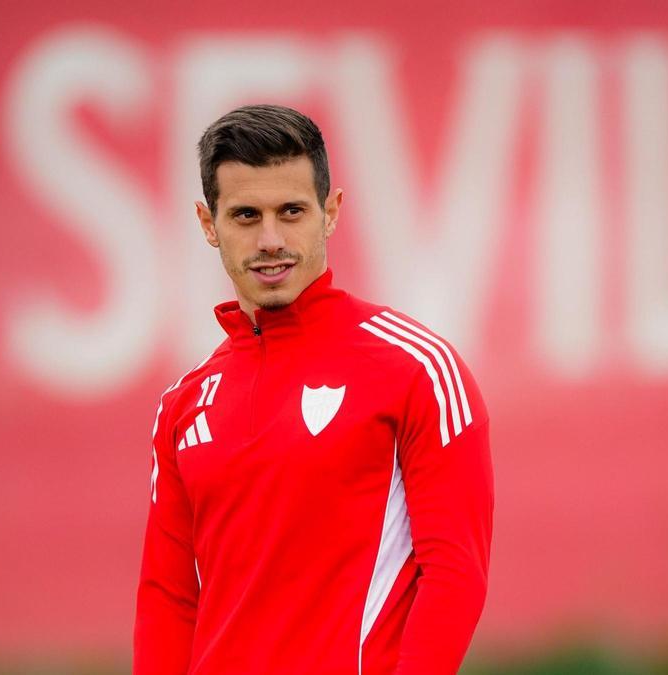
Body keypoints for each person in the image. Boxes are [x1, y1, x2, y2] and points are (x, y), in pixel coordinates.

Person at [133, 104, 493, 674]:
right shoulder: (183, 404)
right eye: (246, 215)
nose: (270, 239)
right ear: (209, 224)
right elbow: (168, 599)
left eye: (292, 211)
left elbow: (455, 575)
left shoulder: (417, 368)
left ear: (330, 212)